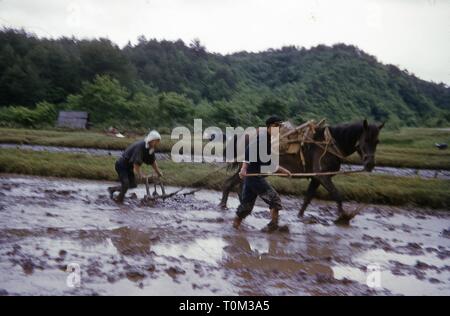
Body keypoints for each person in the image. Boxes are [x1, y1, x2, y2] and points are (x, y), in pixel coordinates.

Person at [233, 116, 292, 232]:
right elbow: (250, 151)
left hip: (252, 177)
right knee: (274, 200)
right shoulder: (264, 138)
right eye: (276, 126)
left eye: (279, 127)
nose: (279, 129)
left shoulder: (266, 137)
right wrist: (243, 169)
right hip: (255, 177)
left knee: (246, 206)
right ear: (270, 126)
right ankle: (273, 226)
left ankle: (235, 227)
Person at [108, 130, 163, 203]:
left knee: (132, 185)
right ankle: (119, 201)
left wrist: (158, 172)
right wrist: (140, 175)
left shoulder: (150, 149)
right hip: (122, 165)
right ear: (151, 140)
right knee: (126, 183)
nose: (157, 143)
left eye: (158, 141)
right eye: (156, 141)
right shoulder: (141, 147)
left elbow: (152, 161)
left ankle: (112, 189)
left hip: (129, 167)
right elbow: (136, 164)